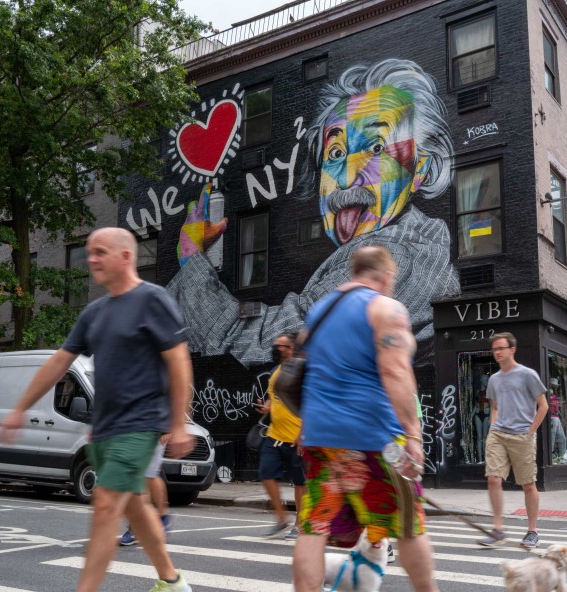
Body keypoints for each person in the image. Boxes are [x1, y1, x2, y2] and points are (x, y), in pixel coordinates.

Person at [165, 59, 460, 367]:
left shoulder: (399, 257)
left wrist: (190, 256)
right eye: (335, 153)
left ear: (420, 169)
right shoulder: (405, 251)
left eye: (375, 149)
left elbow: (254, 344)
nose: (345, 177)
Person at [0, 227, 194, 592]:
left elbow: (178, 361)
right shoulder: (95, 312)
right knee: (135, 506)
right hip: (104, 429)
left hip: (140, 426)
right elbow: (59, 362)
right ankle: (172, 581)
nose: (91, 259)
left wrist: (178, 423)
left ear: (126, 255)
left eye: (100, 252)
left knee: (106, 505)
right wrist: (20, 406)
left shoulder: (153, 299)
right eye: (89, 253)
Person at [289, 246, 477, 592]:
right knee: (408, 522)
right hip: (374, 437)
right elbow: (395, 373)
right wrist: (413, 435)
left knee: (312, 527)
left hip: (321, 439)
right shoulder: (385, 308)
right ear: (387, 275)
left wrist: (307, 427)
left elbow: (306, 373)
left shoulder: (319, 310)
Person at [477, 332, 548, 550]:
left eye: (501, 348)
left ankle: (532, 531)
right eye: (494, 349)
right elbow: (495, 407)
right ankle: (498, 530)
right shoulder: (494, 379)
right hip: (498, 433)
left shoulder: (528, 375)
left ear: (512, 349)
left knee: (528, 484)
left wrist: (530, 431)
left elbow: (543, 405)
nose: (497, 352)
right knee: (493, 479)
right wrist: (492, 429)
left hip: (522, 436)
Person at [254, 333, 306, 540]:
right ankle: (281, 518)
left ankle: (299, 524)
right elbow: (273, 398)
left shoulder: (302, 370)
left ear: (291, 348)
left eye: (280, 346)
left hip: (297, 436)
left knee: (300, 483)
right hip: (274, 434)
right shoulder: (276, 371)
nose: (276, 348)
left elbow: (311, 401)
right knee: (266, 474)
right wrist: (265, 407)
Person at [118, 433, 175, 546]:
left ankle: (139, 526)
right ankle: (160, 518)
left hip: (152, 429)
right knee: (144, 476)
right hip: (132, 430)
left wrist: (167, 429)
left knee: (146, 476)